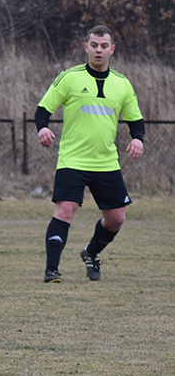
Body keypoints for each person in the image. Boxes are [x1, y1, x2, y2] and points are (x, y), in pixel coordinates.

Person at [36, 25, 144, 283]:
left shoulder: (122, 84)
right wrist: (42, 128)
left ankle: (91, 252)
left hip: (106, 162)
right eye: (94, 45)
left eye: (104, 46)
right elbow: (43, 109)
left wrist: (138, 139)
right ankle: (52, 270)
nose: (99, 50)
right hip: (72, 160)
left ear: (112, 50)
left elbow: (135, 120)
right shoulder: (69, 78)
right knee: (65, 210)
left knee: (116, 218)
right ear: (86, 47)